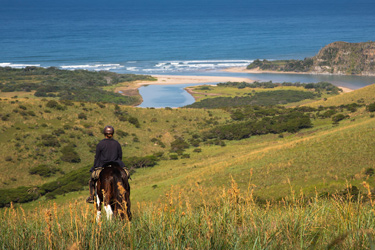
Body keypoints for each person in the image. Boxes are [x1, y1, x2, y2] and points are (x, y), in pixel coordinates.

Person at [86, 125, 126, 203]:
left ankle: (92, 196)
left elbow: (97, 157)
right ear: (112, 133)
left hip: (103, 165)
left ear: (104, 133)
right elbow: (120, 156)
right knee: (126, 175)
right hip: (116, 164)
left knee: (92, 179)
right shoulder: (117, 144)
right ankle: (125, 192)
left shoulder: (100, 144)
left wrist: (95, 167)